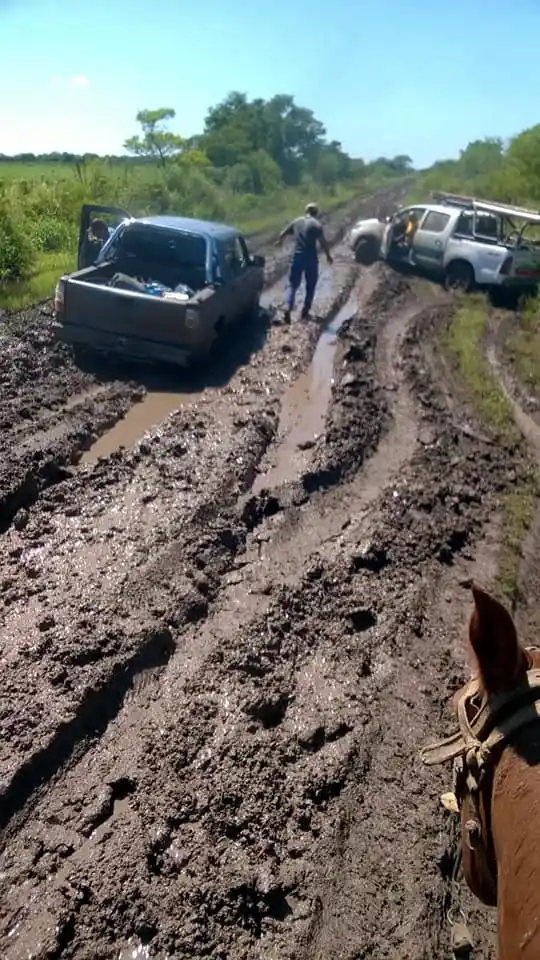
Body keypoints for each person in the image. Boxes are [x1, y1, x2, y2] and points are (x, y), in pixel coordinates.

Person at [275, 202, 333, 322]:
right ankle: (305, 312)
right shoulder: (317, 225)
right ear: (316, 213)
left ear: (305, 211)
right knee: (310, 286)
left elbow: (283, 233)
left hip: (297, 256)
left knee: (292, 284)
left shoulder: (297, 221)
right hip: (311, 258)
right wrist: (328, 256)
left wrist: (280, 241)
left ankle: (289, 307)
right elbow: (323, 242)